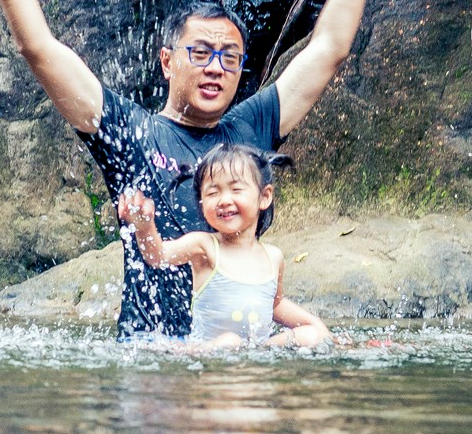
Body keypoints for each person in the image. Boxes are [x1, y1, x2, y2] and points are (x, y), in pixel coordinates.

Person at [0, 0, 394, 339]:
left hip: (237, 371)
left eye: (229, 57)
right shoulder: (131, 133)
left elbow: (328, 50)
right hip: (155, 365)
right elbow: (38, 47)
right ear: (167, 62)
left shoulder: (250, 127)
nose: (216, 67)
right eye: (201, 52)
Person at [125, 143, 332, 347]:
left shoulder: (273, 257)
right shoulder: (204, 246)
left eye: (236, 189)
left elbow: (275, 304)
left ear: (264, 196)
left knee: (311, 336)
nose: (224, 200)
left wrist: (316, 325)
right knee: (230, 342)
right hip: (208, 353)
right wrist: (144, 227)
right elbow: (157, 256)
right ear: (201, 203)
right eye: (213, 193)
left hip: (257, 355)